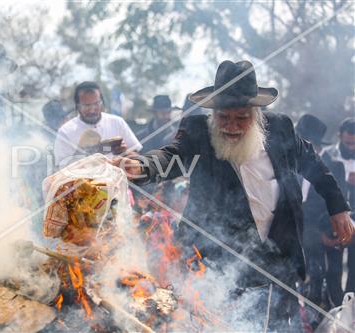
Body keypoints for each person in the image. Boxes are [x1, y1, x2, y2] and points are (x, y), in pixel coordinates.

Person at [111, 60, 354, 330]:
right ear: (213, 113)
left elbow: (314, 165)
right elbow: (171, 156)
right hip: (218, 259)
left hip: (278, 254)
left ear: (256, 113)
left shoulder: (281, 128)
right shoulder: (197, 130)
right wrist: (142, 165)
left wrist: (338, 208)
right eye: (224, 118)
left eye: (241, 118)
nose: (232, 127)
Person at [296, 114, 346, 319]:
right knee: (299, 282)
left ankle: (325, 321)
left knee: (325, 281)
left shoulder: (334, 166)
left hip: (323, 232)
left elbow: (335, 203)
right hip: (295, 232)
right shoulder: (289, 163)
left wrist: (324, 234)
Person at [54, 81, 142, 168]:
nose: (92, 110)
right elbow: (61, 169)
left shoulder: (117, 122)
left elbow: (138, 158)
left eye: (96, 104)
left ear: (102, 102)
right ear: (77, 106)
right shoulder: (66, 131)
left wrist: (125, 152)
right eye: (86, 106)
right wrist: (81, 154)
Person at [323, 117, 355, 304]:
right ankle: (333, 308)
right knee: (333, 269)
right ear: (340, 137)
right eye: (348, 142)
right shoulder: (328, 155)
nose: (352, 146)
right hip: (332, 218)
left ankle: (351, 310)